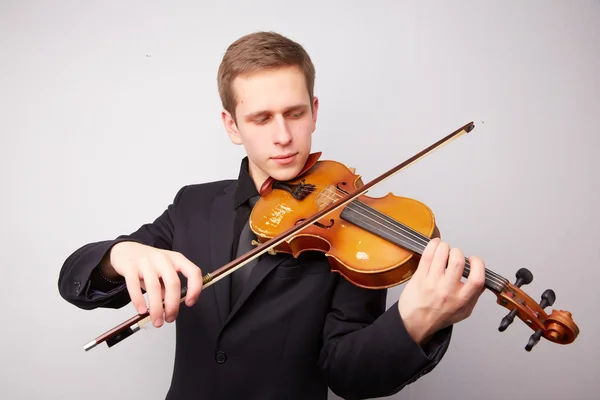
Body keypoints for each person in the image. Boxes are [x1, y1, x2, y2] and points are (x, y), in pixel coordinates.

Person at [58, 31, 486, 400]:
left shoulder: (350, 225)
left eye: (295, 114)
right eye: (261, 119)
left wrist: (413, 322)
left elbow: (348, 376)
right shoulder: (192, 205)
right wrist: (122, 255)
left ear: (314, 111)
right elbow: (76, 282)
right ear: (231, 125)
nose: (283, 137)